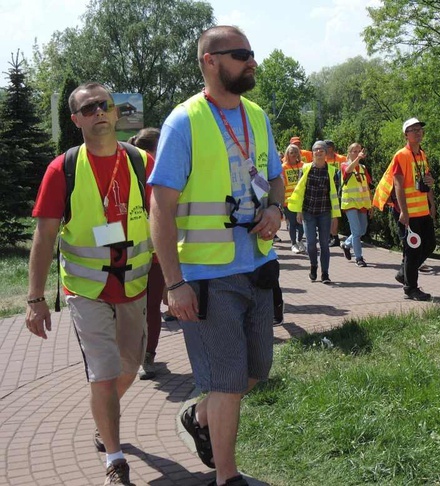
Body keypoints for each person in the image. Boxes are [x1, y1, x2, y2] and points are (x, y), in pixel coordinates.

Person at [149, 26, 283, 486]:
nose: (252, 61)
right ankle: (227, 477)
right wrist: (173, 283)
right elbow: (160, 209)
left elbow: (276, 178)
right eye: (241, 54)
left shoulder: (258, 116)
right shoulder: (183, 122)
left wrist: (275, 208)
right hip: (207, 276)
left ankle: (200, 417)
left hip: (258, 266)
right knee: (227, 381)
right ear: (210, 61)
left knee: (255, 371)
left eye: (252, 53)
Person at [26, 82, 153, 485]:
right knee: (103, 372)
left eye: (105, 106)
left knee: (129, 368)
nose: (98, 112)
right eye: (88, 108)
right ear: (76, 119)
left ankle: (104, 418)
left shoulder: (141, 161)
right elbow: (44, 236)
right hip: (85, 291)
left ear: (116, 113)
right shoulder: (61, 168)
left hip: (134, 287)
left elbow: (167, 220)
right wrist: (35, 298)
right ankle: (114, 459)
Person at [372, 117, 436, 301]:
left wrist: (432, 203)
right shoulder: (401, 155)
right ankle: (411, 288)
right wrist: (404, 212)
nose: (418, 132)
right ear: (406, 135)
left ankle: (403, 273)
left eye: (419, 129)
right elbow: (398, 185)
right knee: (412, 250)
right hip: (409, 213)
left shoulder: (422, 155)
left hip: (423, 210)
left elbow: (427, 180)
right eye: (413, 130)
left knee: (430, 244)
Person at [127, 127, 166, 381]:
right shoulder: (148, 167)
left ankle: (144, 356)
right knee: (144, 308)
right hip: (142, 254)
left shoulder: (141, 166)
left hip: (141, 254)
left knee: (144, 308)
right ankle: (143, 356)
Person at [287, 140, 341, 284]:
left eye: (321, 150)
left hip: (324, 212)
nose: (318, 152)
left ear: (325, 153)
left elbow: (335, 194)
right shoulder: (305, 169)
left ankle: (325, 273)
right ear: (312, 153)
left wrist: (335, 216)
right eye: (316, 150)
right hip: (308, 211)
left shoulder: (332, 171)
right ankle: (313, 266)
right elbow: (299, 191)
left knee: (324, 243)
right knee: (311, 243)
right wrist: (298, 211)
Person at [339, 143, 372, 267]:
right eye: (354, 151)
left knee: (362, 230)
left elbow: (367, 186)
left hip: (362, 203)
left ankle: (346, 244)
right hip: (350, 202)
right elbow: (348, 171)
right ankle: (359, 258)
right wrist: (358, 158)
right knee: (356, 231)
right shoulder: (344, 165)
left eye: (359, 151)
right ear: (349, 153)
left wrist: (371, 204)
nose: (357, 153)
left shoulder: (363, 168)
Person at [281, 144, 305, 253]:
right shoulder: (283, 167)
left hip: (302, 200)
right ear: (287, 154)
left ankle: (300, 241)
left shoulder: (303, 165)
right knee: (292, 223)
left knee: (301, 223)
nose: (294, 155)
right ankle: (293, 244)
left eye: (296, 152)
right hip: (288, 201)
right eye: (292, 152)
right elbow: (281, 185)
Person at [325, 140, 347, 247]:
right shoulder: (323, 159)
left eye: (328, 147)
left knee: (334, 214)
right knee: (328, 214)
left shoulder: (341, 159)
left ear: (332, 148)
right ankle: (330, 235)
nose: (326, 150)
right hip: (325, 190)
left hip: (338, 190)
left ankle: (335, 237)